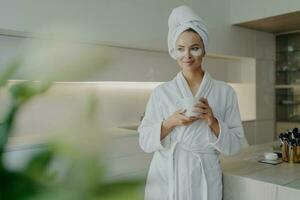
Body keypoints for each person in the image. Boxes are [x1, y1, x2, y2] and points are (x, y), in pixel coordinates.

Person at [138, 5, 244, 200]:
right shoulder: (162, 93)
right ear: (174, 51)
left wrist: (212, 121)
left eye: (194, 48)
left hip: (204, 175)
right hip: (167, 175)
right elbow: (145, 141)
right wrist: (169, 123)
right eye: (181, 49)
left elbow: (236, 145)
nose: (187, 55)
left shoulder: (225, 92)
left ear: (204, 50)